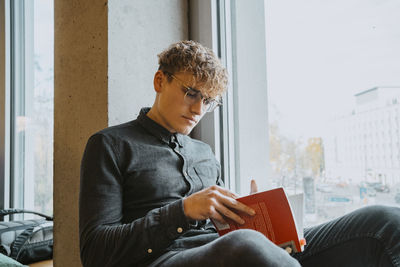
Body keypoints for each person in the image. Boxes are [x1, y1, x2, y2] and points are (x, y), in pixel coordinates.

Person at [79, 40, 400, 267]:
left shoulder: (204, 153)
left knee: (383, 220)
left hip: (229, 248)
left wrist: (257, 217)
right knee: (245, 245)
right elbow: (95, 252)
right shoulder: (110, 144)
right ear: (159, 80)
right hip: (161, 259)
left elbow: (224, 233)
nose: (198, 109)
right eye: (191, 93)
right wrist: (183, 211)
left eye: (208, 101)